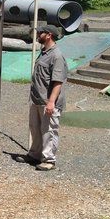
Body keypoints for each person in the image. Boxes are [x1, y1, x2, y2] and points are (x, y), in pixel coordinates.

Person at [16, 24, 67, 171]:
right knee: (35, 128)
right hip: (37, 99)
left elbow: (58, 81)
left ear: (49, 35)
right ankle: (35, 154)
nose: (38, 35)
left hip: (48, 102)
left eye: (40, 33)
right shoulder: (44, 52)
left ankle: (49, 159)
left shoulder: (56, 56)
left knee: (49, 130)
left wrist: (51, 102)